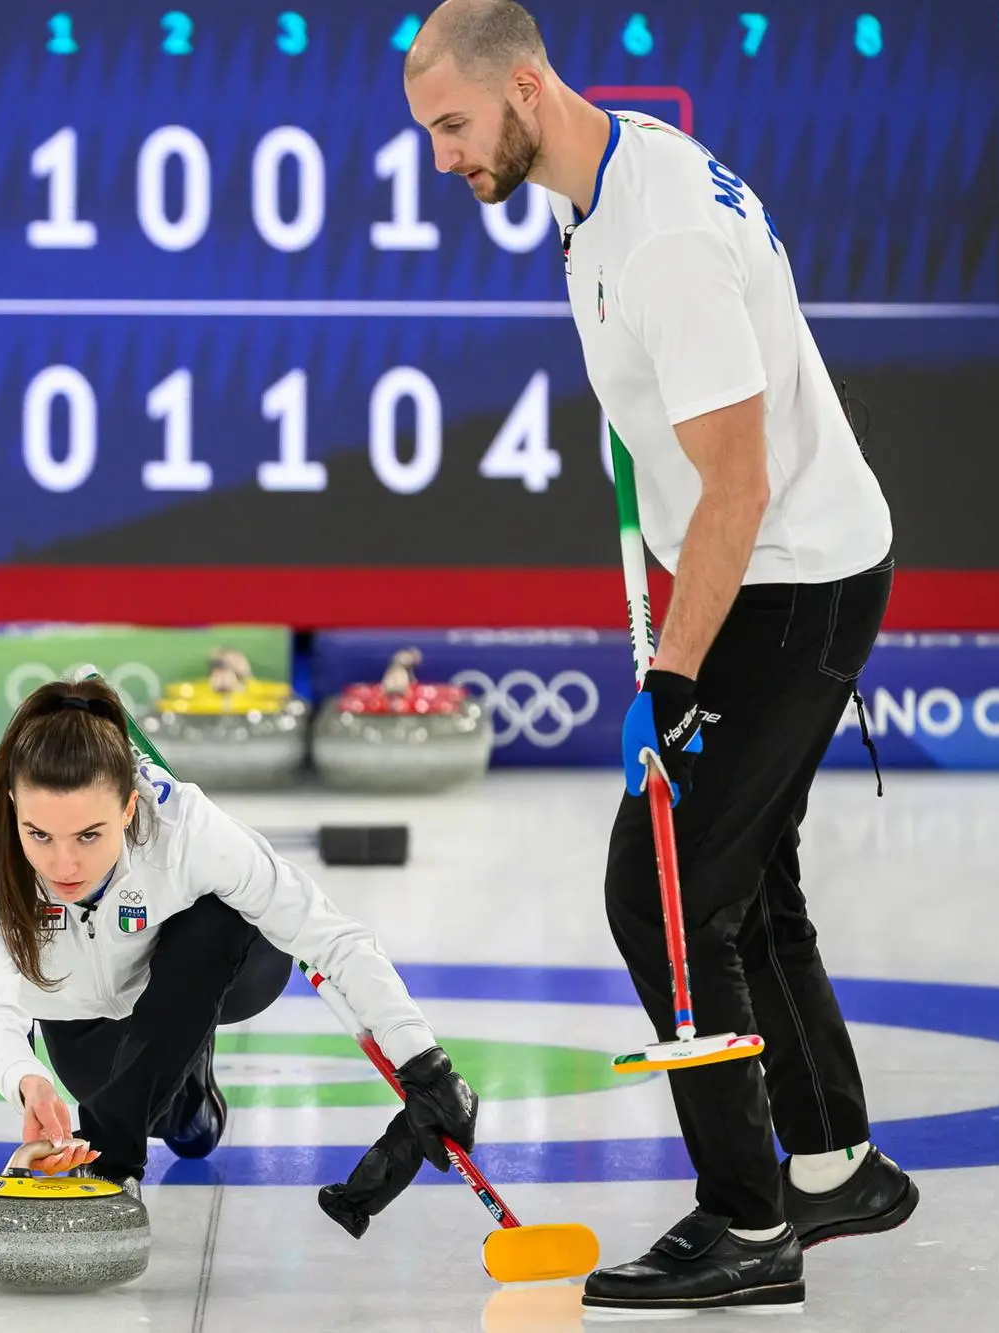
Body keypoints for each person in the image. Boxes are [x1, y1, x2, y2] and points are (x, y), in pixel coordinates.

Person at [403, 0, 916, 1315]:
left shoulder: (661, 237)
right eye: (427, 135)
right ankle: (834, 1162)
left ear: (522, 87)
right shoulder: (599, 191)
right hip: (776, 564)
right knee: (742, 880)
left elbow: (736, 486)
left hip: (788, 581)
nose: (443, 157)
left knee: (663, 893)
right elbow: (683, 443)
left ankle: (746, 1222)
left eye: (453, 126)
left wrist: (673, 675)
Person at [0, 676, 477, 1214]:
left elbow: (327, 933)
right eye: (39, 835)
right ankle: (187, 1088)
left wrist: (423, 1061)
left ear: (127, 809)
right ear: (11, 808)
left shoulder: (185, 828)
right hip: (76, 1011)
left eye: (89, 835)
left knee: (221, 913)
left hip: (208, 971)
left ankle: (114, 1161)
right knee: (181, 1128)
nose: (62, 864)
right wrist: (26, 1080)